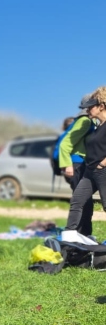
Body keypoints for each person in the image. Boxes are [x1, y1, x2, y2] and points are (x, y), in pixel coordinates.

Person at [64, 87, 106, 243]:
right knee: (77, 200)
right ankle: (69, 237)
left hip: (103, 171)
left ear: (101, 106)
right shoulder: (97, 125)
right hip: (89, 171)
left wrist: (104, 162)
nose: (87, 109)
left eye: (91, 106)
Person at [57, 99, 95, 238]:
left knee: (86, 201)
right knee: (81, 201)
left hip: (82, 163)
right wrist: (68, 164)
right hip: (77, 164)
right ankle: (78, 234)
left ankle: (84, 234)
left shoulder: (88, 121)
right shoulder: (84, 121)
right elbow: (65, 143)